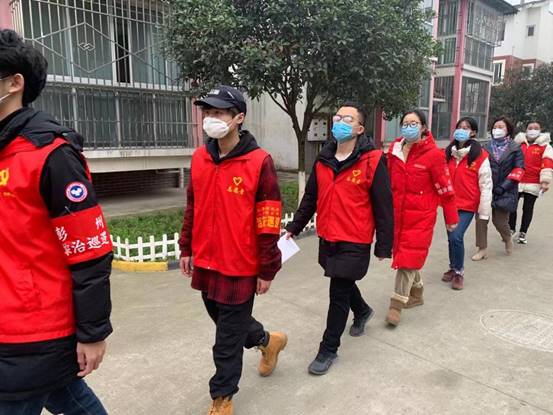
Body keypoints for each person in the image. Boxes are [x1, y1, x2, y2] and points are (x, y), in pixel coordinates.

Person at [0, 29, 113, 415]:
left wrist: (93, 332)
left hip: (33, 329)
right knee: (69, 398)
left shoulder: (51, 155)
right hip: (8, 324)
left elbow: (90, 251)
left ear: (15, 83)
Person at [178, 85, 287, 415]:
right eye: (208, 112)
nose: (211, 118)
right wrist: (186, 246)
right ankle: (268, 341)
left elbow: (268, 219)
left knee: (225, 340)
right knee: (225, 320)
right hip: (207, 259)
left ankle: (222, 398)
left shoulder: (259, 161)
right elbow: (192, 206)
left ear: (238, 118)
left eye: (219, 112)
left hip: (241, 264)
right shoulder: (200, 157)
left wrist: (267, 268)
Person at [285, 102, 393, 375]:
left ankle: (328, 349)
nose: (340, 122)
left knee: (338, 293)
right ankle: (363, 310)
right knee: (340, 281)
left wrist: (384, 244)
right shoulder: (324, 158)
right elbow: (310, 197)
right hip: (328, 235)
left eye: (348, 119)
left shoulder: (373, 160)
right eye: (337, 117)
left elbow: (383, 205)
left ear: (360, 128)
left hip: (355, 239)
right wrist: (294, 227)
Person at [385, 109, 459, 326]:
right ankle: (417, 294)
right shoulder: (394, 151)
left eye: (414, 123)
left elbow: (445, 189)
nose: (408, 127)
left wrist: (451, 217)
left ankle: (396, 305)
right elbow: (386, 181)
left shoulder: (434, 155)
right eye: (405, 123)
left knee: (407, 259)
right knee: (407, 256)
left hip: (421, 217)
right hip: (397, 215)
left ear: (424, 127)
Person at [443, 117, 492, 290]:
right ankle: (452, 267)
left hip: (467, 205)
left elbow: (486, 184)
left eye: (466, 128)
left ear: (473, 132)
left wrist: (484, 211)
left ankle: (459, 272)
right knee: (451, 237)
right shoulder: (449, 153)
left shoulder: (480, 155)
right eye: (459, 127)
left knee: (456, 236)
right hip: (449, 203)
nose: (462, 130)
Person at [472, 117, 524, 260]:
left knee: (499, 221)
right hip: (486, 188)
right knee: (481, 218)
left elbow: (519, 169)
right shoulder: (485, 147)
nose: (497, 129)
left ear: (508, 130)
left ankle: (507, 238)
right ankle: (482, 248)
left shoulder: (515, 148)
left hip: (505, 190)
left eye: (501, 127)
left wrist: (503, 187)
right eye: (495, 127)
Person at [509, 121, 552, 244]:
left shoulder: (545, 146)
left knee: (528, 208)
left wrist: (545, 181)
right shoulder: (518, 143)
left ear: (540, 130)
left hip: (533, 182)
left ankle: (523, 232)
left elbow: (547, 164)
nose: (533, 130)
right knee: (511, 206)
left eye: (536, 128)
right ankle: (511, 229)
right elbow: (510, 160)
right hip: (516, 180)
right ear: (526, 129)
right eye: (530, 128)